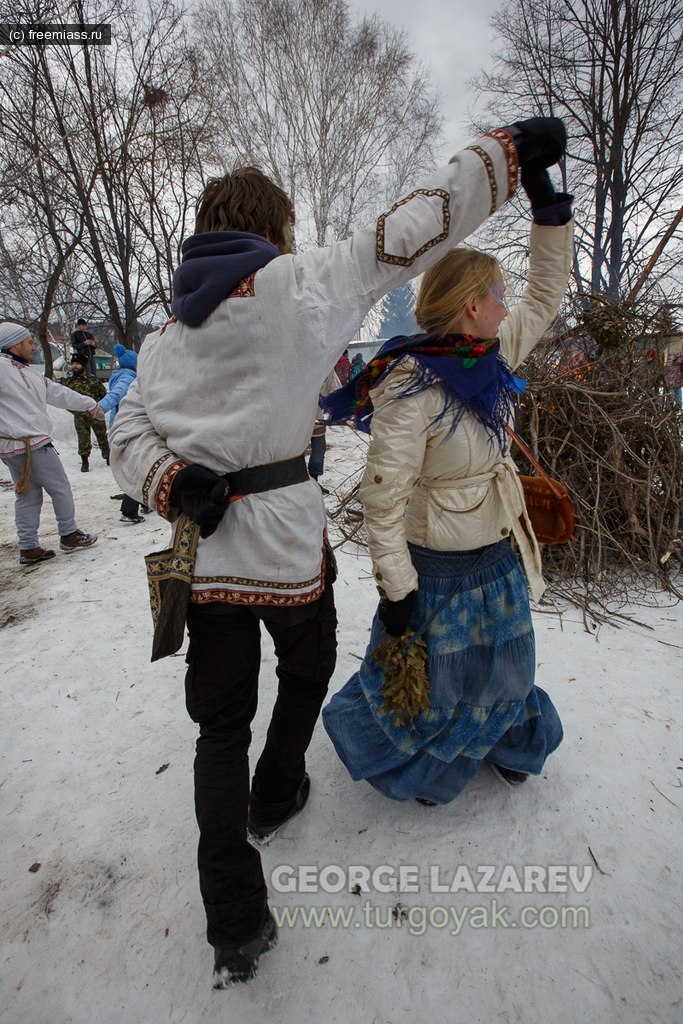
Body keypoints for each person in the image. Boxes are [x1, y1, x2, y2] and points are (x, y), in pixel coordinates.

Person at [108, 117, 568, 987]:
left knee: (215, 728)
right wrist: (503, 157)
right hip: (282, 551)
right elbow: (407, 229)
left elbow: (128, 427)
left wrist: (172, 483)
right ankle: (279, 787)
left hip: (202, 558)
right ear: (272, 231)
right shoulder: (296, 284)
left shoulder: (165, 339)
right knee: (307, 667)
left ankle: (233, 923)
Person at [322, 151, 574, 804]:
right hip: (435, 568)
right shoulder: (411, 382)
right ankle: (430, 770)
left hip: (496, 548)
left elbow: (546, 293)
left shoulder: (491, 356)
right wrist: (397, 587)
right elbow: (383, 497)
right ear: (470, 306)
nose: (504, 305)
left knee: (510, 664)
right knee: (442, 680)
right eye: (496, 295)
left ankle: (512, 740)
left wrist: (549, 209)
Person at [0, 322, 99, 564]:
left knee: (28, 495)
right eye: (29, 342)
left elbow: (58, 393)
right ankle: (69, 534)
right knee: (60, 487)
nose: (34, 346)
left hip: (14, 445)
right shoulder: (3, 369)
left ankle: (28, 547)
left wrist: (89, 403)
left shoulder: (27, 372)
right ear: (15, 345)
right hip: (30, 443)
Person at [98, 345, 149, 524]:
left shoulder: (122, 375)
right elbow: (117, 394)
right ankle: (129, 510)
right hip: (127, 429)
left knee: (140, 466)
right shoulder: (127, 378)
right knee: (137, 469)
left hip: (124, 427)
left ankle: (145, 503)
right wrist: (100, 407)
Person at [62, 352, 110, 472]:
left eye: (77, 363)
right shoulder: (69, 383)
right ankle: (84, 461)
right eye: (73, 363)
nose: (74, 366)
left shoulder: (94, 380)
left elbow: (103, 395)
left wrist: (99, 408)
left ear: (83, 365)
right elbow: (65, 400)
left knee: (102, 436)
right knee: (83, 439)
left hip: (95, 413)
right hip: (80, 416)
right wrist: (75, 411)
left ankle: (108, 457)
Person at [308, 368, 341, 489]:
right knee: (295, 453)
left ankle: (314, 481)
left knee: (319, 450)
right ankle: (299, 485)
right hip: (294, 417)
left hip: (314, 414)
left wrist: (338, 408)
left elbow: (334, 389)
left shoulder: (325, 364)